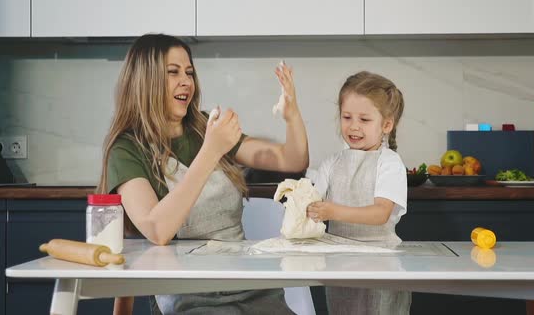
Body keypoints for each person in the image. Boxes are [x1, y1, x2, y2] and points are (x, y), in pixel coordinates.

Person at [97, 34, 308, 315]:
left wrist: (292, 116)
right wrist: (211, 150)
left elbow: (292, 159)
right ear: (145, 80)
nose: (186, 81)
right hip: (189, 294)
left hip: (251, 287)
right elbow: (157, 229)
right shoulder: (127, 150)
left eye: (189, 72)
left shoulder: (204, 127)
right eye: (173, 72)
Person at [307, 71, 411, 315]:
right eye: (347, 117)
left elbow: (380, 214)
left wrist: (332, 211)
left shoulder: (390, 163)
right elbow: (312, 201)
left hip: (382, 264)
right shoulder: (331, 163)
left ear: (386, 124)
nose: (353, 126)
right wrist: (302, 201)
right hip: (339, 263)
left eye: (364, 119)